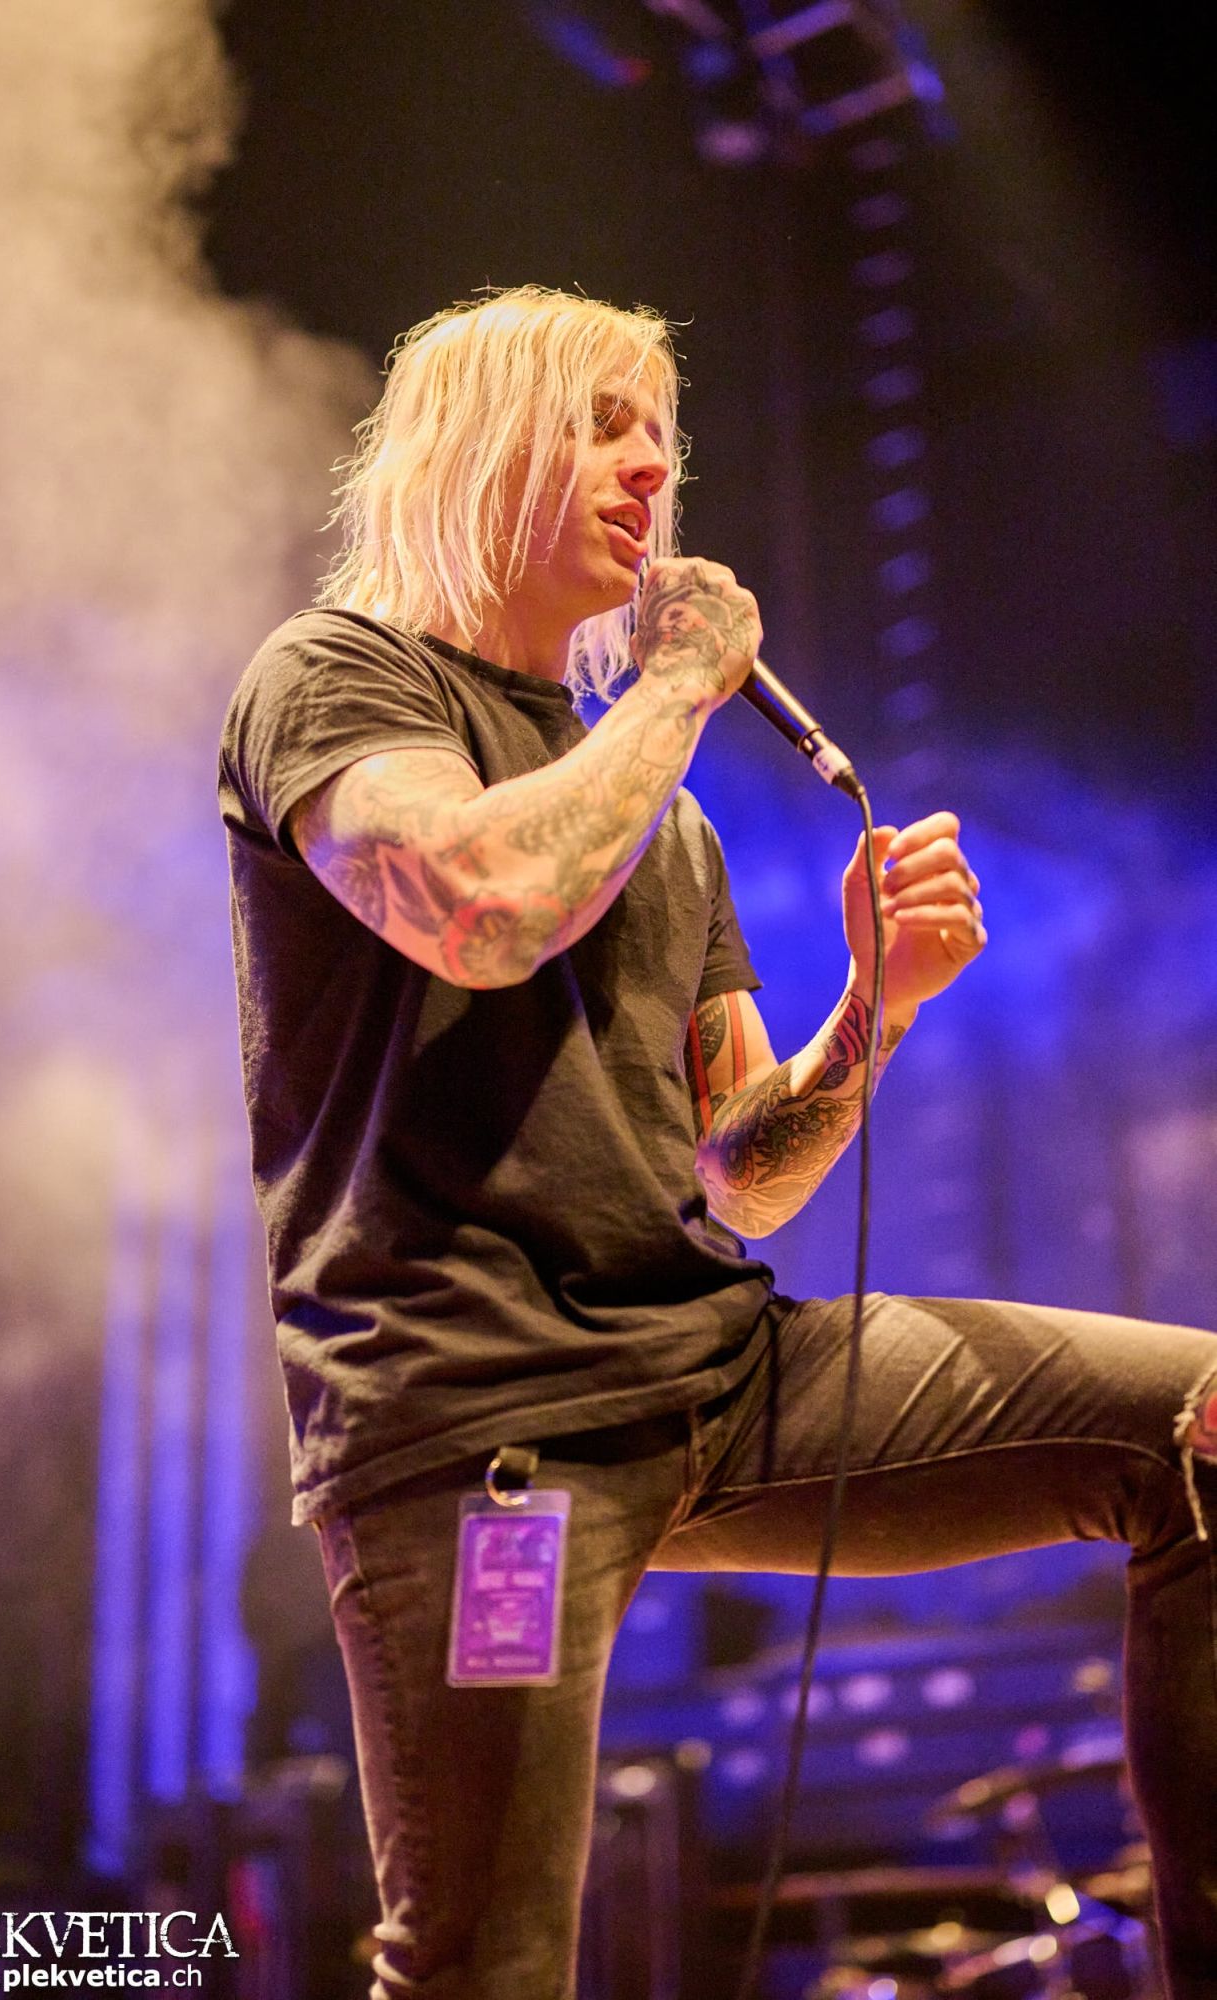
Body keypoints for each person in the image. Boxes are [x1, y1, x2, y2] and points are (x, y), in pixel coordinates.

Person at [219, 285, 1217, 2000]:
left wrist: (874, 1007)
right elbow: (479, 907)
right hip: (484, 1421)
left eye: (662, 436)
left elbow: (742, 1172)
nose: (651, 468)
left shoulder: (655, 816)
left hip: (722, 1374)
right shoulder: (335, 681)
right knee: (482, 1963)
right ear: (480, 443)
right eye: (602, 421)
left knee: (1196, 1427)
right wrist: (678, 679)